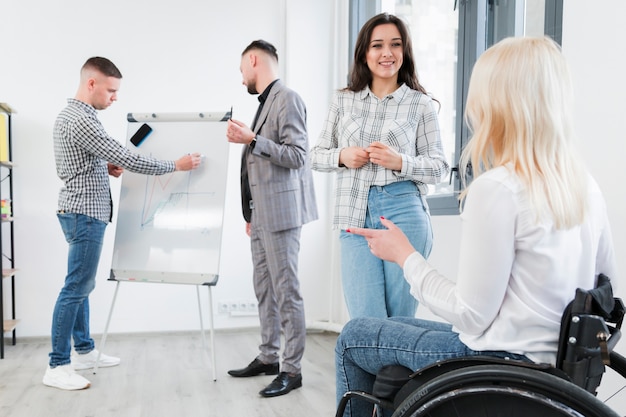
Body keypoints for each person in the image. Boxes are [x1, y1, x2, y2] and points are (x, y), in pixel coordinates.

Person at [335, 36, 618, 417]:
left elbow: (470, 315)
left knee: (354, 337)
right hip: (554, 366)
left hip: (500, 361)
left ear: (499, 104)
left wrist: (406, 256)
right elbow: (609, 296)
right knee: (384, 324)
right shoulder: (583, 185)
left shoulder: (499, 188)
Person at [44, 57, 202, 391]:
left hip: (79, 209)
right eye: (111, 90)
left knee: (81, 285)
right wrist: (175, 165)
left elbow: (81, 164)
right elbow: (127, 155)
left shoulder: (74, 115)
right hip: (85, 213)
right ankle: (57, 365)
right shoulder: (82, 119)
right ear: (91, 84)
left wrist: (104, 168)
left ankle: (84, 351)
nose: (115, 98)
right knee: (75, 288)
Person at [310, 13, 449, 319]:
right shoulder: (343, 100)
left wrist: (400, 161)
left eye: (395, 45)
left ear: (405, 52)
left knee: (399, 321)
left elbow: (440, 167)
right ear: (364, 53)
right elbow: (315, 154)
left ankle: (397, 370)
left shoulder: (420, 103)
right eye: (378, 45)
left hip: (404, 212)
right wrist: (342, 155)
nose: (387, 53)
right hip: (353, 213)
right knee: (365, 323)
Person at [225, 40, 318, 398]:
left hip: (282, 215)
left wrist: (253, 139)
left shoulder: (288, 98)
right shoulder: (265, 104)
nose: (242, 77)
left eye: (241, 69)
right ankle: (268, 358)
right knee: (264, 289)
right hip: (262, 215)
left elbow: (297, 155)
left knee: (286, 292)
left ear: (253, 60)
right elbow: (257, 168)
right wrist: (250, 212)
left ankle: (292, 370)